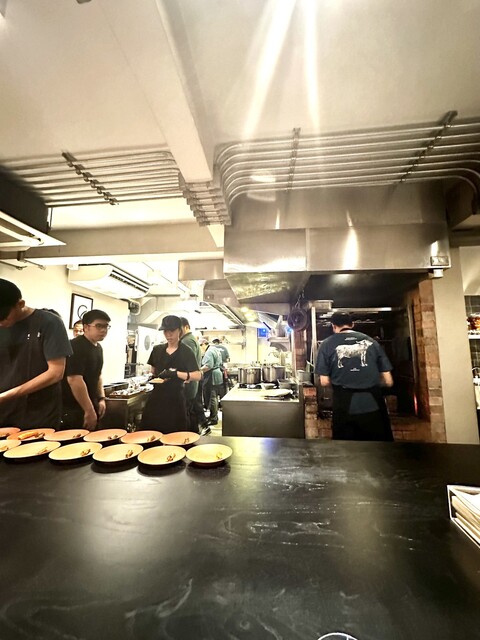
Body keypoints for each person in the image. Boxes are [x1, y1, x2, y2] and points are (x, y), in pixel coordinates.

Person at [0, 279, 72, 430]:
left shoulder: (49, 323)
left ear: (20, 304)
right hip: (4, 412)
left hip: (38, 413)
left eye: (3, 317)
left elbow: (56, 372)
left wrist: (7, 395)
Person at [315, 311, 394, 441]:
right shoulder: (372, 342)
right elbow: (389, 381)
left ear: (333, 326)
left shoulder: (326, 345)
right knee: (379, 449)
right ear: (352, 324)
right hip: (373, 407)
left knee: (346, 449)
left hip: (344, 407)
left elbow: (324, 381)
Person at [141, 315, 201, 433]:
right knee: (152, 432)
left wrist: (176, 374)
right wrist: (152, 377)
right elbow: (153, 371)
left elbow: (197, 375)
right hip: (157, 398)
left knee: (175, 434)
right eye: (165, 331)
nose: (168, 335)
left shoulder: (186, 351)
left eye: (172, 331)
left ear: (179, 330)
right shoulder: (157, 350)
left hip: (176, 398)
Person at [62, 309, 111, 429]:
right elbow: (74, 379)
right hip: (73, 408)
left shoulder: (98, 348)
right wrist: (88, 410)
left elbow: (98, 375)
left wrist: (101, 398)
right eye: (99, 326)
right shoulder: (75, 346)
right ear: (86, 327)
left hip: (91, 403)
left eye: (106, 326)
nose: (103, 330)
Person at [179, 317, 207, 433]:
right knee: (192, 410)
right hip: (192, 381)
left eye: (179, 328)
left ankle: (191, 436)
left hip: (188, 382)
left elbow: (186, 363)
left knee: (188, 413)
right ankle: (195, 433)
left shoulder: (187, 341)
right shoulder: (191, 339)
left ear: (186, 327)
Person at [200, 338, 224, 430]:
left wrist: (198, 371)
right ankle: (213, 416)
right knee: (215, 397)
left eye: (200, 346)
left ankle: (213, 418)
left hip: (212, 375)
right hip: (218, 375)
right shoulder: (215, 349)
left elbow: (208, 366)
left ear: (203, 344)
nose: (201, 348)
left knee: (212, 397)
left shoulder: (209, 352)